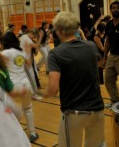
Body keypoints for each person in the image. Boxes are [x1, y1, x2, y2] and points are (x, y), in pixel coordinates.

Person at [45, 11, 105, 147]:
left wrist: (45, 93)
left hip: (74, 112)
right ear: (76, 28)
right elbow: (100, 64)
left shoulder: (55, 54)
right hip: (97, 109)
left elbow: (53, 89)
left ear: (58, 30)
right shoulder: (90, 46)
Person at [0, 32, 39, 142]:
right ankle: (32, 133)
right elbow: (29, 64)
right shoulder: (20, 52)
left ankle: (13, 134)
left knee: (8, 110)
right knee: (28, 108)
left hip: (13, 85)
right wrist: (27, 51)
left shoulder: (5, 53)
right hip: (25, 84)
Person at [19, 28, 42, 96]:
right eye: (34, 37)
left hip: (24, 59)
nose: (34, 38)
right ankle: (33, 93)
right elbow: (36, 46)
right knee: (31, 76)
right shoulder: (27, 39)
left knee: (29, 76)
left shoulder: (23, 36)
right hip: (25, 61)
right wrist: (40, 37)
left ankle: (33, 91)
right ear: (31, 33)